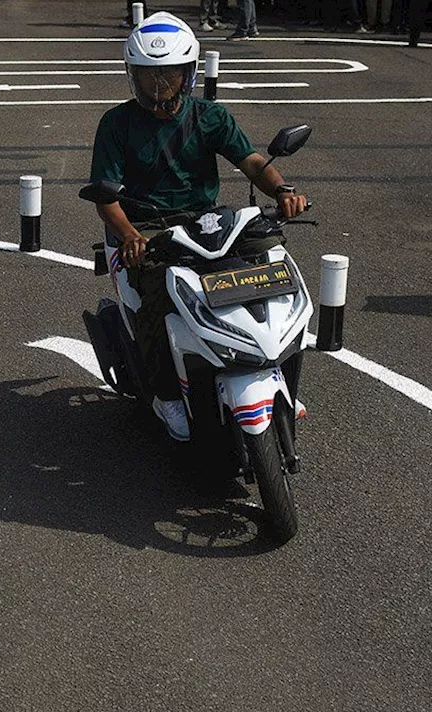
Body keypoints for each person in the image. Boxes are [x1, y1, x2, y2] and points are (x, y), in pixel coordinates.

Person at [88, 12, 309, 441]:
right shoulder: (116, 124)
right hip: (148, 230)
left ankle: (278, 370)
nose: (158, 85)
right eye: (148, 76)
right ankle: (167, 395)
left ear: (187, 74)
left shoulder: (209, 116)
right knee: (155, 297)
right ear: (132, 76)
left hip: (207, 221)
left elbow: (251, 161)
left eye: (168, 74)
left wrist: (283, 190)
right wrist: (131, 236)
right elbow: (106, 198)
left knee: (269, 267)